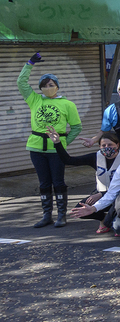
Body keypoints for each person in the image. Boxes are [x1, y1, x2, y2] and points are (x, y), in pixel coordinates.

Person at [19, 52, 82, 229]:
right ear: (40, 88)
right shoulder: (34, 100)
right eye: (45, 85)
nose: (49, 87)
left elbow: (77, 127)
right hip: (36, 148)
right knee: (44, 183)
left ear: (57, 87)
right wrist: (30, 63)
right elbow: (21, 83)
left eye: (52, 84)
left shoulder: (67, 104)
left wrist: (63, 144)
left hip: (56, 149)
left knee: (58, 182)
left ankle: (62, 215)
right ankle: (47, 215)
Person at [50, 128, 120, 234]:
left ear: (117, 145)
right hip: (101, 193)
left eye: (110, 145)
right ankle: (104, 219)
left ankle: (118, 221)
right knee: (81, 209)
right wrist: (57, 143)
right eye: (103, 146)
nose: (107, 148)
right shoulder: (96, 157)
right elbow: (68, 160)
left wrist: (101, 195)